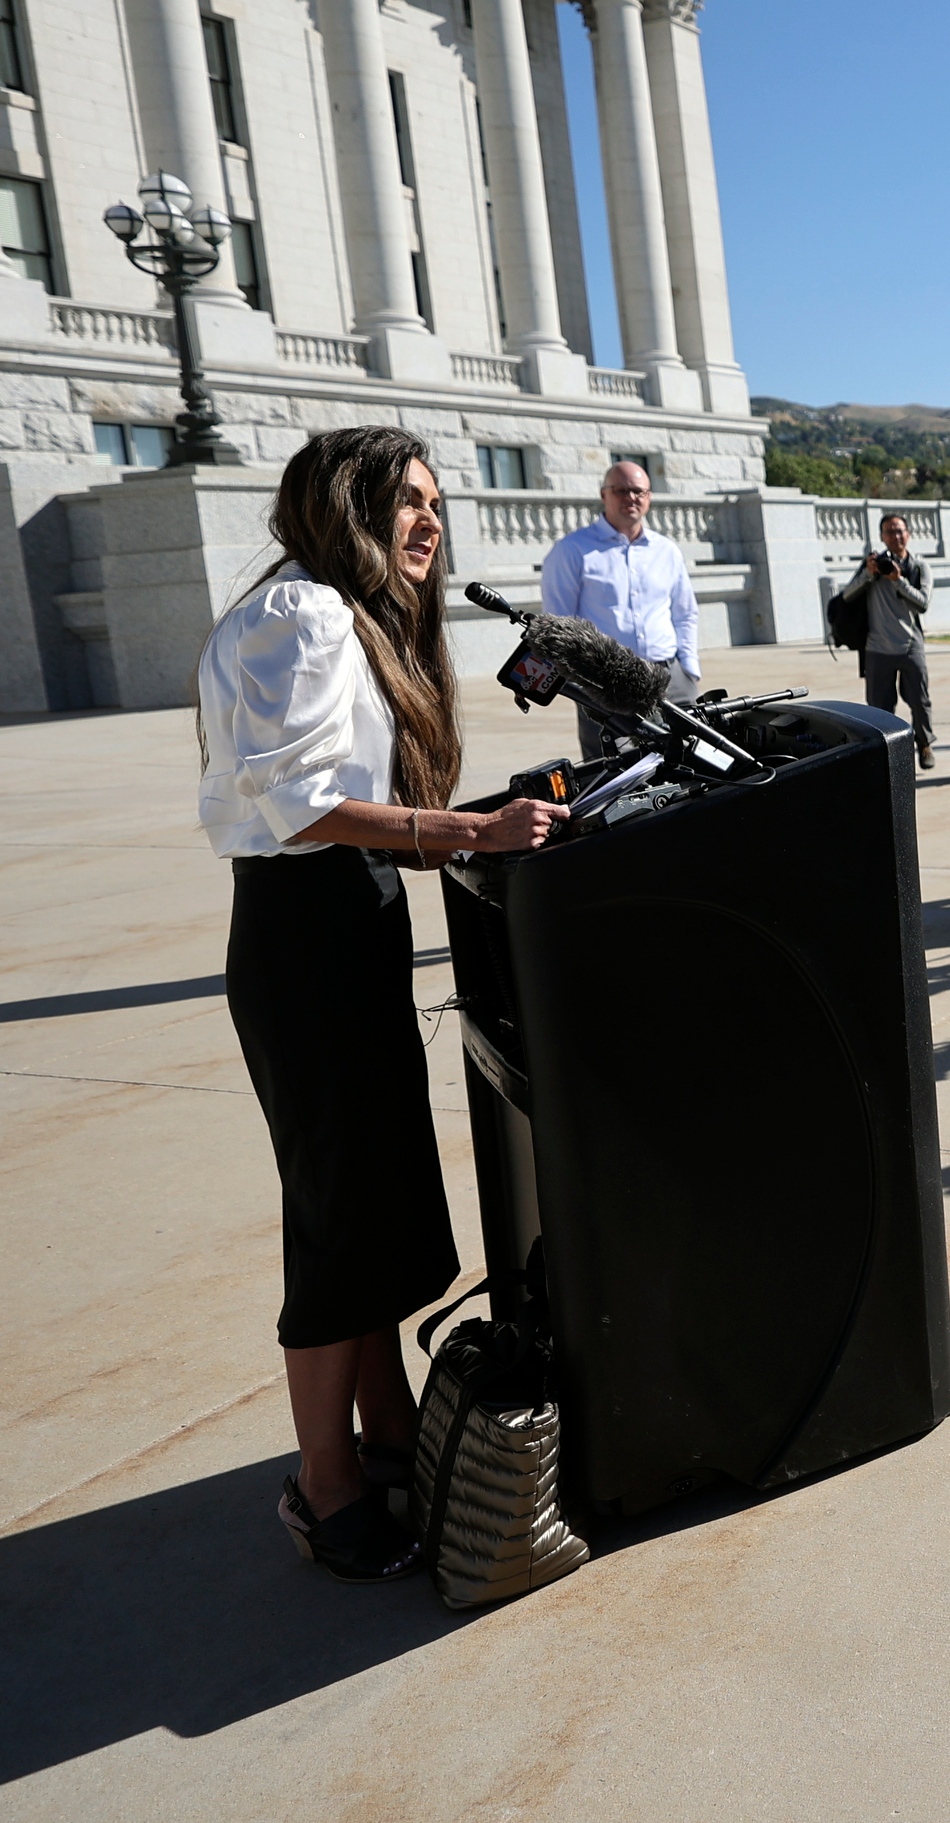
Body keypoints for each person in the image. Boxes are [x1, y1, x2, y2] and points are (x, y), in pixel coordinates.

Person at [196, 426, 566, 1583]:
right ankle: (324, 1488)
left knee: (368, 1201)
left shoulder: (323, 614)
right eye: (406, 499)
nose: (429, 521)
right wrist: (469, 831)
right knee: (335, 1217)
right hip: (306, 930)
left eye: (438, 503)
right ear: (346, 503)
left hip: (340, 925)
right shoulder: (301, 617)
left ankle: (390, 1431)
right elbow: (307, 808)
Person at [538, 460, 698, 759]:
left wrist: (689, 669)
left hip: (670, 676)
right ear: (604, 495)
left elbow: (685, 613)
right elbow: (558, 623)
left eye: (638, 491)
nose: (631, 497)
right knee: (614, 770)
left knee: (691, 759)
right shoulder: (572, 550)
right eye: (620, 490)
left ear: (649, 496)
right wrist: (582, 684)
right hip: (606, 683)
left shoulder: (667, 550)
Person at [840, 512, 936, 770]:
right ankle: (885, 752)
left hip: (910, 645)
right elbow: (847, 596)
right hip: (877, 648)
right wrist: (868, 575)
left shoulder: (918, 567)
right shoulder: (872, 565)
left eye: (899, 531)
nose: (895, 536)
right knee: (879, 708)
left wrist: (898, 581)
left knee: (920, 700)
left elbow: (923, 603)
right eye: (889, 532)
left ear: (908, 534)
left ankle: (924, 744)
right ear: (882, 537)